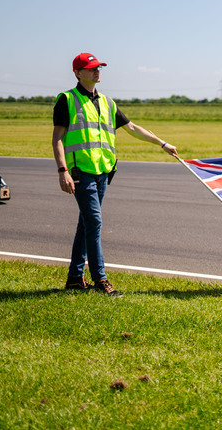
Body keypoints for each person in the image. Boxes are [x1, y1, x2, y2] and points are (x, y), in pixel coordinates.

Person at [52, 52, 178, 297]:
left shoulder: (108, 103)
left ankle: (75, 279)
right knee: (95, 223)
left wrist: (162, 143)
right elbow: (57, 138)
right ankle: (100, 279)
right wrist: (62, 170)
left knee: (86, 224)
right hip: (81, 171)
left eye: (98, 68)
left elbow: (132, 128)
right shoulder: (66, 100)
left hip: (104, 172)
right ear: (77, 73)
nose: (96, 71)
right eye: (90, 68)